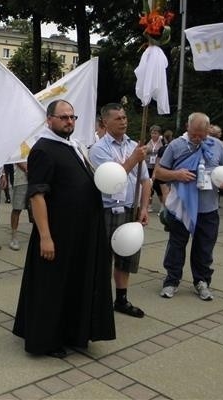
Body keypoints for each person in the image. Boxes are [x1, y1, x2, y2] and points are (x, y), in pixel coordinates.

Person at [13, 100, 115, 358]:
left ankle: (72, 332)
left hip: (79, 233)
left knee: (73, 284)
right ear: (50, 120)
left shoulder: (72, 146)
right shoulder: (43, 150)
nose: (69, 122)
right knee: (52, 288)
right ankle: (46, 340)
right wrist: (45, 237)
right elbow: (37, 196)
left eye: (72, 117)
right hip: (57, 233)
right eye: (63, 117)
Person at [155, 113, 223, 301]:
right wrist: (177, 175)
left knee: (204, 247)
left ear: (208, 131)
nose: (197, 138)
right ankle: (171, 280)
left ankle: (202, 281)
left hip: (208, 208)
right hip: (182, 206)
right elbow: (158, 172)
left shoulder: (217, 145)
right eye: (194, 134)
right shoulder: (176, 145)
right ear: (187, 127)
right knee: (177, 244)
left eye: (201, 135)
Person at [89, 103, 151, 318]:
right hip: (107, 210)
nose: (123, 121)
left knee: (127, 255)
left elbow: (146, 181)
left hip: (129, 209)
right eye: (118, 118)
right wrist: (135, 158)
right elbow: (115, 176)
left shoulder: (134, 145)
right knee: (103, 257)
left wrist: (144, 208)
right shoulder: (99, 150)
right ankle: (99, 300)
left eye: (125, 117)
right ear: (105, 122)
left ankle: (121, 299)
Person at [8, 161, 28, 251]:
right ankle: (14, 237)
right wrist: (27, 170)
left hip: (36, 179)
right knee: (17, 208)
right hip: (21, 180)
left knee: (35, 210)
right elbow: (18, 159)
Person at [145, 125, 165, 212]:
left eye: (155, 133)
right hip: (148, 165)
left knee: (158, 186)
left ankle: (162, 205)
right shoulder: (148, 142)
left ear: (159, 134)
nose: (153, 135)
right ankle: (149, 205)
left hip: (158, 166)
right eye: (152, 133)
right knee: (149, 185)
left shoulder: (162, 142)